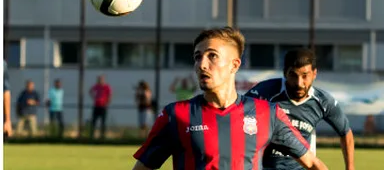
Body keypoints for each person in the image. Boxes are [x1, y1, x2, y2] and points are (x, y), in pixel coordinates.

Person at [132, 27, 328, 170]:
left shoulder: (268, 113)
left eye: (212, 56)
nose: (202, 64)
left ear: (234, 65)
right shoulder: (175, 115)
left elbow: (312, 163)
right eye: (197, 57)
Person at [247, 48, 356, 170]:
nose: (299, 83)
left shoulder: (323, 102)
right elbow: (238, 116)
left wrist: (350, 168)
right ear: (285, 73)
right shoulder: (265, 92)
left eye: (305, 75)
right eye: (293, 75)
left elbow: (345, 132)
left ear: (314, 74)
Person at [89, 74, 111, 139]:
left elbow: (109, 95)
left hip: (103, 106)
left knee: (103, 122)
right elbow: (90, 91)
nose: (99, 80)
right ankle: (92, 135)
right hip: (96, 106)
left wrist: (107, 102)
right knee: (94, 121)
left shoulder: (106, 87)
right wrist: (94, 97)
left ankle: (102, 136)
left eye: (101, 79)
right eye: (99, 79)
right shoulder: (96, 86)